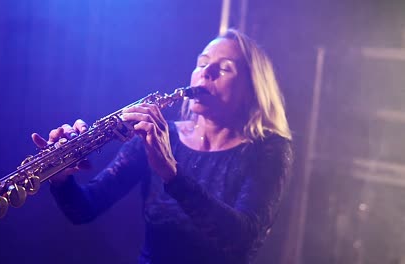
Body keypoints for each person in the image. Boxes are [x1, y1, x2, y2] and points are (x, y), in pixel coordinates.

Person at [31, 28, 293, 264]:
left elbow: (243, 240)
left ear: (252, 88)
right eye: (202, 63)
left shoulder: (268, 149)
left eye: (224, 68)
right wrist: (61, 179)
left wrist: (172, 174)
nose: (206, 71)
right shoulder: (157, 137)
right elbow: (83, 210)